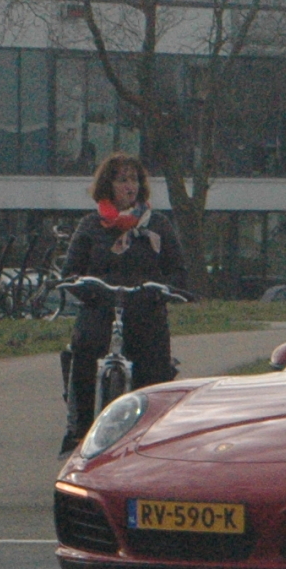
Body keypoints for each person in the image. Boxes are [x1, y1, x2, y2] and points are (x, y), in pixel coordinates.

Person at [59, 153, 190, 454]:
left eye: (134, 179)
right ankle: (78, 430)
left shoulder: (157, 224)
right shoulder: (92, 225)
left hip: (145, 308)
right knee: (83, 350)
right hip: (100, 307)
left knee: (154, 369)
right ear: (108, 185)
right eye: (122, 180)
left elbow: (177, 268)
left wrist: (166, 290)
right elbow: (71, 271)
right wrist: (89, 291)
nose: (129, 186)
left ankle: (154, 438)